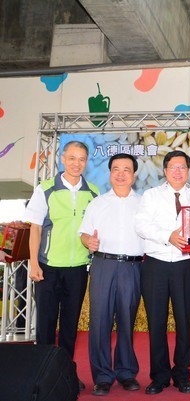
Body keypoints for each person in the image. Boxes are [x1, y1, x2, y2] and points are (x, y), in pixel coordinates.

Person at [24, 140, 99, 390]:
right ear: (62, 159)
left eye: (82, 159)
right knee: (45, 325)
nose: (77, 163)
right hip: (48, 267)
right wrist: (34, 263)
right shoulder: (45, 189)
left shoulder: (94, 192)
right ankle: (41, 378)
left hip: (78, 269)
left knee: (69, 326)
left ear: (86, 162)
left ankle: (66, 376)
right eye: (72, 158)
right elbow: (35, 229)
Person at [135, 150, 190, 395]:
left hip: (185, 265)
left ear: (189, 171)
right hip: (155, 264)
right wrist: (168, 236)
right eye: (173, 167)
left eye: (182, 167)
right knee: (156, 322)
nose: (178, 171)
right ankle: (159, 377)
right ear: (165, 171)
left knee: (184, 322)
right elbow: (141, 225)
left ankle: (182, 376)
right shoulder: (151, 195)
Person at [79, 154, 144, 396]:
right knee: (100, 322)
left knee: (127, 320)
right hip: (103, 265)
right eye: (116, 169)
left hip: (133, 267)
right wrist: (88, 241)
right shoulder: (97, 203)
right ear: (109, 173)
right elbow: (84, 233)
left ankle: (126, 372)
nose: (120, 174)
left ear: (134, 175)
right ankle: (102, 376)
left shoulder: (143, 203)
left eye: (126, 169)